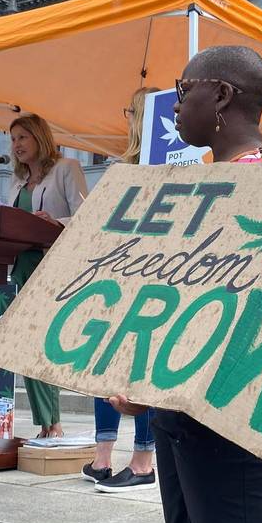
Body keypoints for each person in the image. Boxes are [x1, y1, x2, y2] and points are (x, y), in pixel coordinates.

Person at [109, 45, 262, 523]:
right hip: (177, 408)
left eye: (184, 90)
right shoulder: (204, 185)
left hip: (227, 412)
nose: (174, 105)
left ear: (224, 96)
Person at [83, 87, 159, 493]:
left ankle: (144, 461)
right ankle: (102, 456)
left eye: (130, 111)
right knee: (104, 366)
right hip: (119, 276)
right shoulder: (123, 168)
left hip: (150, 277)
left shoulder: (162, 165)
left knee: (141, 368)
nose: (125, 116)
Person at [5, 112, 87, 439]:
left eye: (22, 137)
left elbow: (85, 215)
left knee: (43, 343)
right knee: (25, 347)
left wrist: (54, 221)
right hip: (19, 266)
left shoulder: (67, 169)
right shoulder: (16, 182)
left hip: (50, 266)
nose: (16, 145)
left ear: (39, 137)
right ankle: (44, 422)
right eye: (12, 140)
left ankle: (53, 424)